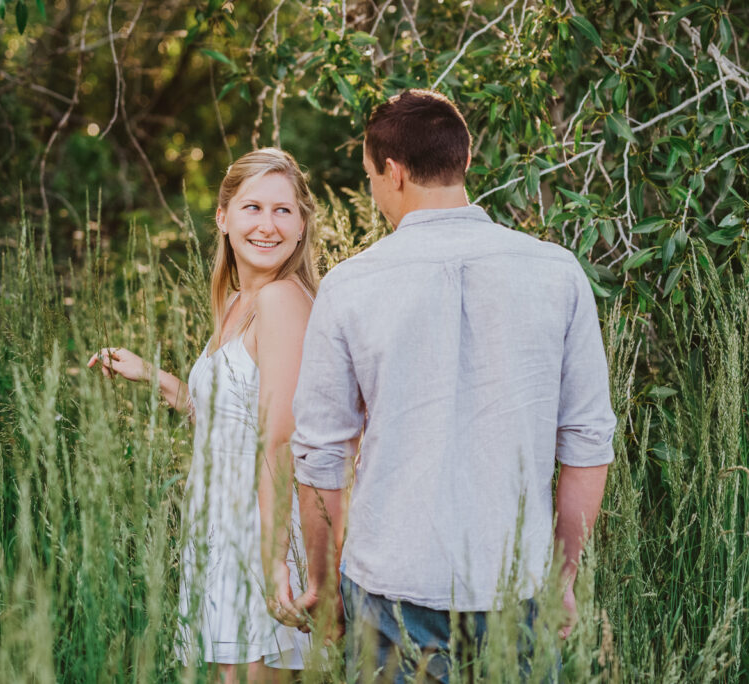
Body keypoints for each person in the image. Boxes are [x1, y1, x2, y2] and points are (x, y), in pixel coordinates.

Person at [286, 90, 617, 682]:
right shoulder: (558, 272)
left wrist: (324, 584)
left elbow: (321, 458)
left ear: (393, 172)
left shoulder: (351, 286)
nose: (374, 191)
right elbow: (587, 445)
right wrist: (563, 580)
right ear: (463, 161)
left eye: (369, 177)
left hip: (392, 589)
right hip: (517, 585)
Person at [88, 148, 317, 682]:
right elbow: (230, 420)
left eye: (283, 210)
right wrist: (158, 379)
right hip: (220, 525)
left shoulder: (282, 300)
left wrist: (273, 559)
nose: (267, 225)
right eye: (252, 207)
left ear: (302, 224)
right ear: (223, 217)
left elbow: (278, 439)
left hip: (260, 527)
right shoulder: (239, 301)